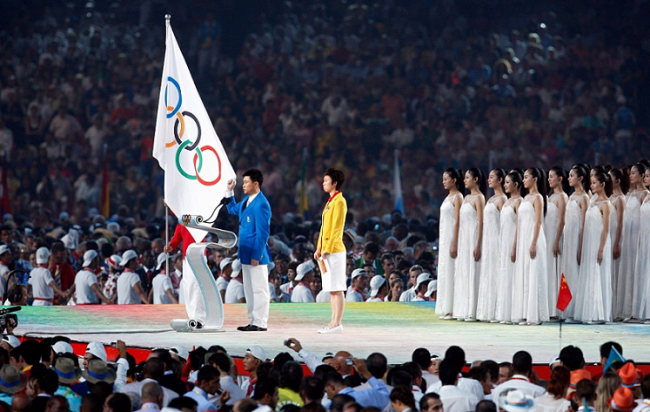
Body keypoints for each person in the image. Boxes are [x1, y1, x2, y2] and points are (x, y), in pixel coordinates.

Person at [225, 169, 272, 332]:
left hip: (255, 253)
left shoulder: (262, 204)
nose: (243, 185)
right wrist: (229, 191)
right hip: (245, 253)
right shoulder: (246, 201)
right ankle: (253, 320)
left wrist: (256, 255)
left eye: (246, 182)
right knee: (250, 289)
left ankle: (261, 322)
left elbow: (263, 233)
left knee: (259, 288)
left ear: (256, 183)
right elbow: (232, 209)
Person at [574, 171, 613, 324]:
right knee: (589, 273)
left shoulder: (606, 204)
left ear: (603, 184)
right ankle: (588, 311)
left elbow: (606, 229)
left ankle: (598, 314)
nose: (592, 185)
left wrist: (601, 248)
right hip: (590, 241)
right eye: (592, 182)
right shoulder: (592, 201)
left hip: (599, 242)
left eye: (595, 182)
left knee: (598, 273)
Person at [314, 168, 348, 334]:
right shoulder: (330, 202)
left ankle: (337, 323)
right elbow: (324, 228)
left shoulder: (339, 202)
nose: (324, 183)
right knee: (331, 288)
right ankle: (333, 322)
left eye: (326, 181)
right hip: (326, 250)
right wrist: (319, 247)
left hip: (334, 250)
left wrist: (327, 249)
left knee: (337, 287)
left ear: (334, 183)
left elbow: (336, 228)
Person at [513, 168, 549, 325]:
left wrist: (533, 242)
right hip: (523, 237)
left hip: (534, 237)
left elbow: (539, 221)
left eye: (526, 177)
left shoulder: (538, 198)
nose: (523, 180)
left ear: (535, 179)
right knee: (525, 273)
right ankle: (526, 313)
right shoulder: (525, 197)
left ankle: (535, 316)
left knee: (533, 273)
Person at [453, 168, 486, 322]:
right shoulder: (466, 198)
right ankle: (463, 308)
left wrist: (478, 244)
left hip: (473, 238)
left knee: (474, 272)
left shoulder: (479, 198)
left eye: (467, 177)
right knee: (464, 272)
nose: (464, 180)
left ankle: (473, 310)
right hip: (464, 240)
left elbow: (481, 222)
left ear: (476, 179)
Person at [616, 163, 647, 321]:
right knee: (627, 270)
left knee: (636, 271)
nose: (631, 175)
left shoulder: (645, 194)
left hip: (637, 237)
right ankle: (626, 309)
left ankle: (637, 309)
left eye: (634, 173)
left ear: (642, 175)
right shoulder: (628, 194)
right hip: (627, 237)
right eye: (631, 173)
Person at [476, 168, 507, 322]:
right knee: (488, 273)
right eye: (488, 177)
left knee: (496, 273)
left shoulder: (502, 200)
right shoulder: (490, 199)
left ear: (500, 180)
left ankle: (497, 310)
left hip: (497, 241)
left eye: (492, 177)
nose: (489, 180)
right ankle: (488, 310)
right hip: (488, 241)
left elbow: (504, 224)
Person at [562, 165, 590, 322]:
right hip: (568, 239)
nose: (569, 178)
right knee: (567, 273)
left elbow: (584, 223)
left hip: (578, 239)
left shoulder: (584, 198)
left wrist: (581, 246)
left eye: (572, 175)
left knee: (576, 272)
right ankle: (566, 309)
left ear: (580, 178)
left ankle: (576, 310)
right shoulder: (571, 196)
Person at [495, 171, 524, 324]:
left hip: (512, 242)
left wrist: (514, 246)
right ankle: (504, 312)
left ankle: (514, 312)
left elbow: (519, 226)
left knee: (513, 276)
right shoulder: (506, 201)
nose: (505, 185)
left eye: (507, 182)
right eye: (504, 182)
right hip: (503, 242)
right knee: (504, 276)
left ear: (516, 184)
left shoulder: (519, 201)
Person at [436, 168, 464, 320]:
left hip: (453, 238)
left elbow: (458, 220)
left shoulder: (458, 197)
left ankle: (454, 308)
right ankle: (447, 307)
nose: (443, 181)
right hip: (445, 237)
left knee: (453, 271)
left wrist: (455, 242)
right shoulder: (448, 197)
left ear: (454, 180)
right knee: (446, 270)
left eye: (446, 179)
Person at [545, 167, 569, 319]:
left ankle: (558, 308)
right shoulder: (549, 197)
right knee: (548, 270)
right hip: (547, 236)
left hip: (556, 237)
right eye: (548, 176)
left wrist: (557, 241)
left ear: (560, 179)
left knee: (557, 270)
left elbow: (562, 221)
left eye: (551, 176)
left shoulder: (562, 197)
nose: (549, 179)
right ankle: (548, 307)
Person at [608, 168, 628, 319]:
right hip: (606, 236)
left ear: (617, 181)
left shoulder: (620, 199)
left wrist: (616, 243)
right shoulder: (608, 197)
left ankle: (617, 309)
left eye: (610, 177)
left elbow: (620, 223)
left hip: (615, 236)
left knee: (615, 272)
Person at [632, 166, 650, 322]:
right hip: (643, 238)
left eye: (648, 176)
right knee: (644, 272)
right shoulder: (646, 197)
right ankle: (643, 311)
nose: (646, 179)